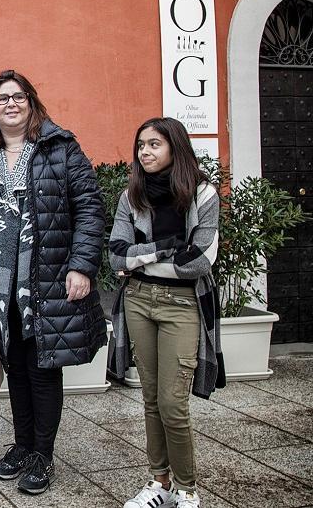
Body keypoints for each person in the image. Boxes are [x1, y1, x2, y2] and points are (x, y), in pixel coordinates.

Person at [0, 69, 106, 495]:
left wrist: (82, 266)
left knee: (43, 369)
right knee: (16, 368)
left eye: (18, 97)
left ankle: (43, 454)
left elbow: (90, 209)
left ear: (32, 102)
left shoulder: (61, 148)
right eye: (2, 99)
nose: (11, 104)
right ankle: (22, 446)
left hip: (48, 278)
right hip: (0, 285)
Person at [108, 117, 223, 508]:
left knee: (173, 403)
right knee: (151, 399)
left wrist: (140, 260)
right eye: (141, 145)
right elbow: (115, 255)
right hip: (139, 301)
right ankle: (159, 483)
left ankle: (187, 491)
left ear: (176, 146)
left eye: (154, 144)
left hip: (182, 305)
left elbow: (200, 260)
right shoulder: (131, 197)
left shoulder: (202, 194)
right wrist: (166, 248)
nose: (145, 152)